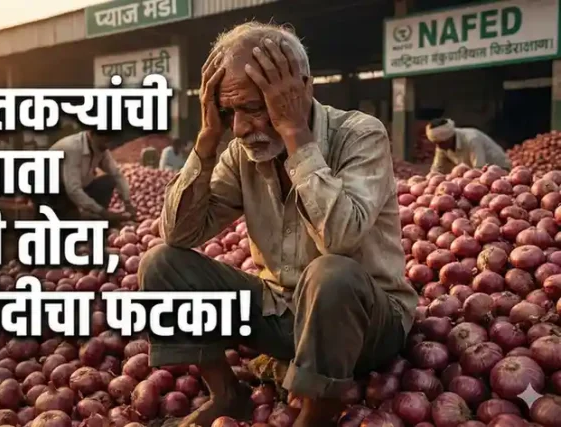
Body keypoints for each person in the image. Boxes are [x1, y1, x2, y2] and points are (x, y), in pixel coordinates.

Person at [137, 22, 416, 427]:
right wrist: (207, 138)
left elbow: (341, 238)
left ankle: (316, 414)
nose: (240, 128)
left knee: (331, 273)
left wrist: (295, 136)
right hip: (280, 313)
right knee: (162, 262)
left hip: (361, 325)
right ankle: (226, 394)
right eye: (228, 112)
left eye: (254, 108)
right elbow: (180, 234)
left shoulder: (359, 135)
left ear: (301, 89)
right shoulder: (240, 152)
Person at [41, 129, 136, 222]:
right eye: (105, 140)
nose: (108, 145)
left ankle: (92, 213)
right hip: (52, 190)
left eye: (110, 141)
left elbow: (116, 174)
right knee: (70, 220)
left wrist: (127, 202)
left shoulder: (100, 148)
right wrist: (103, 212)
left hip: (75, 188)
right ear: (92, 134)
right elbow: (73, 190)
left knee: (108, 181)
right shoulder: (73, 148)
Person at [428, 118, 511, 174]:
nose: (438, 146)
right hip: (474, 173)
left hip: (499, 170)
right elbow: (437, 169)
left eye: (441, 143)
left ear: (449, 138)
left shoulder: (472, 139)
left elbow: (479, 168)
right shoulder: (442, 144)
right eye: (436, 143)